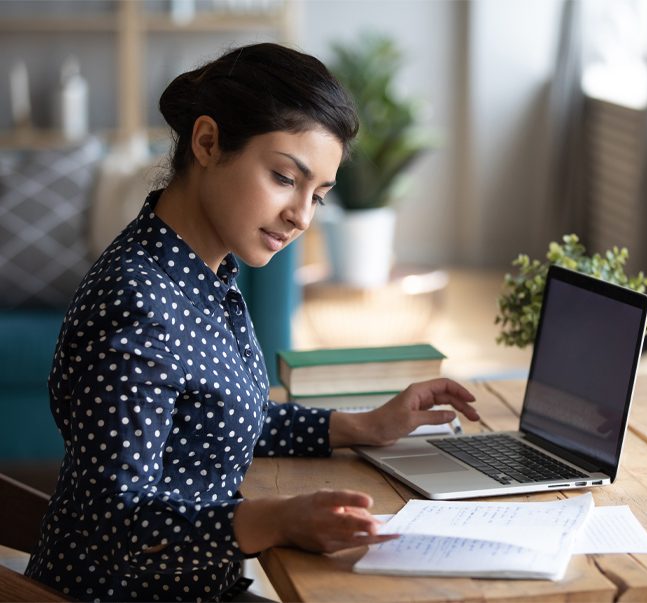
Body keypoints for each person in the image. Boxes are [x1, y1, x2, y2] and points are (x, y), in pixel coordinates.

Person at [24, 42, 479, 602]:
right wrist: (277, 520)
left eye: (319, 195)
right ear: (208, 143)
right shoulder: (138, 302)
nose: (302, 215)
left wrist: (362, 426)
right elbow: (114, 526)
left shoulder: (205, 271)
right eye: (286, 178)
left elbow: (213, 424)